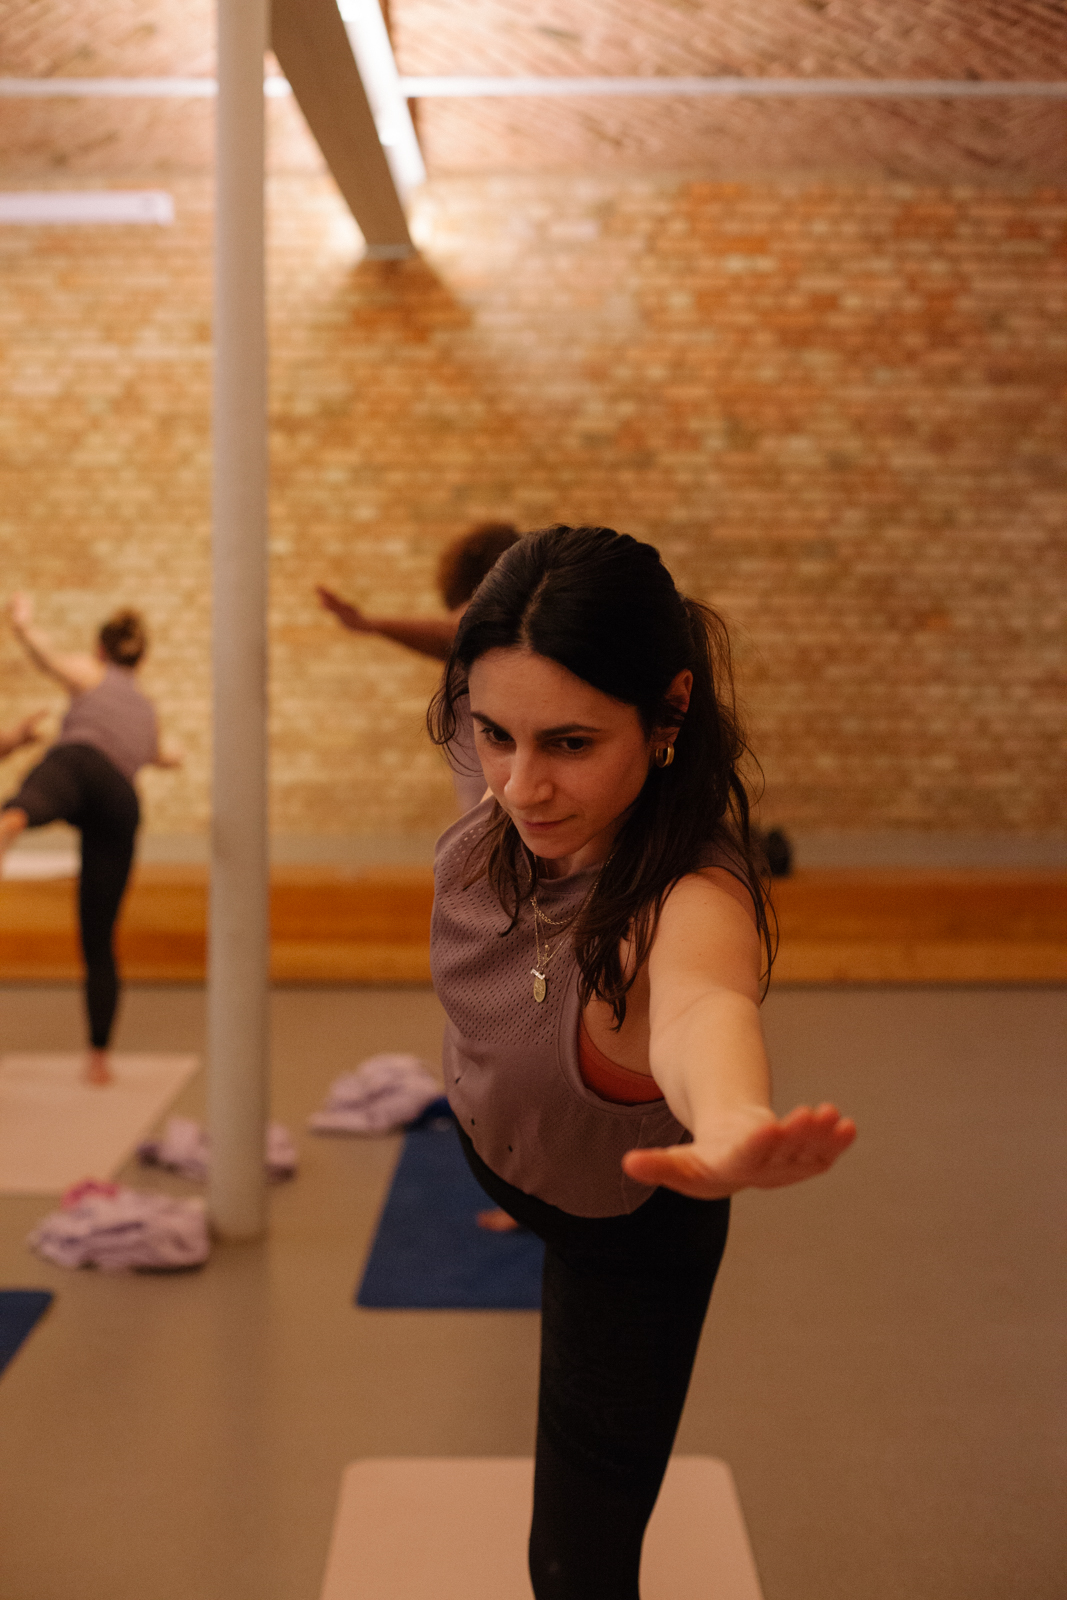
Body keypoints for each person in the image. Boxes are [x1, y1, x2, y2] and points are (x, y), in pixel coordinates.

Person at [427, 525, 855, 1600]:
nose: (522, 786)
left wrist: (730, 1121)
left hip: (620, 1230)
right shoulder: (509, 757)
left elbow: (703, 1006)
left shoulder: (681, 899)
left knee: (572, 1566)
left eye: (570, 744)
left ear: (668, 714)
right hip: (502, 1154)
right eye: (493, 733)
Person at [0, 597, 181, 1085]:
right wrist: (174, 757)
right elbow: (159, 755)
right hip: (121, 799)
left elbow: (48, 658)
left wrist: (24, 625)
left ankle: (13, 821)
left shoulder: (92, 672)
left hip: (82, 763)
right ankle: (99, 1057)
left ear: (101, 650)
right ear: (141, 659)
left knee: (46, 787)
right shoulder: (145, 708)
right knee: (99, 936)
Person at [317, 521, 519, 813]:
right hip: (483, 784)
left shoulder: (493, 613)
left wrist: (371, 624)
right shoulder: (493, 637)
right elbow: (447, 640)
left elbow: (455, 630)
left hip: (492, 788)